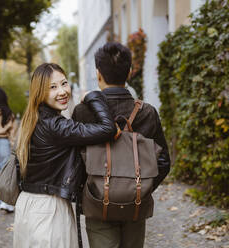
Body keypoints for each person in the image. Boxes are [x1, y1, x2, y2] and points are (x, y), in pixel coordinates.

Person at [72, 42, 171, 248]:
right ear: (129, 73)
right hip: (135, 203)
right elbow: (164, 161)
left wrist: (88, 191)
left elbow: (75, 162)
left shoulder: (83, 112)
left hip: (98, 203)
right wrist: (141, 189)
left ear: (98, 74)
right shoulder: (147, 112)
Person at [13, 63, 117, 248]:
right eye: (52, 87)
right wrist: (92, 96)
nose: (62, 91)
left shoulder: (33, 119)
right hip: (49, 209)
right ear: (40, 92)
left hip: (29, 206)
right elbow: (108, 129)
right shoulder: (55, 126)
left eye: (64, 83)